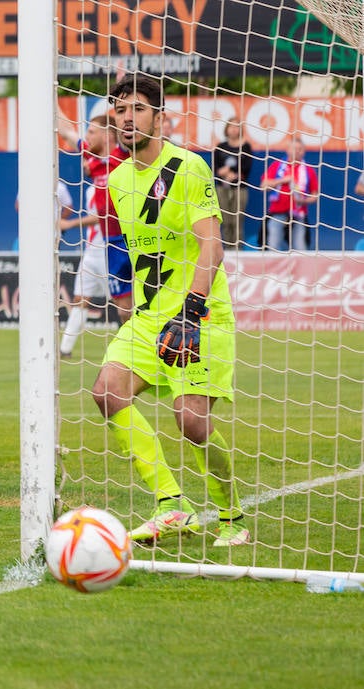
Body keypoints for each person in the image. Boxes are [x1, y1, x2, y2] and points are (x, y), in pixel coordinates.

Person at [97, 74, 246, 547]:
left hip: (198, 314)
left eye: (136, 108)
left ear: (160, 117)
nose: (125, 118)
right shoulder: (117, 179)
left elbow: (212, 247)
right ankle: (170, 504)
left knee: (192, 423)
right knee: (107, 391)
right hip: (148, 317)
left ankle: (231, 517)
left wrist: (191, 311)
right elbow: (132, 252)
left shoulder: (190, 167)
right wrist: (128, 303)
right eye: (118, 110)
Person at [56, 113, 134, 357]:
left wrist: (70, 225)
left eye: (92, 131)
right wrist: (52, 95)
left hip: (126, 242)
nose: (87, 136)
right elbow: (67, 131)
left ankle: (137, 349)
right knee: (93, 302)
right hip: (101, 247)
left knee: (129, 306)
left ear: (108, 134)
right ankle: (65, 349)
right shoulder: (94, 159)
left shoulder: (123, 157)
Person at [261, 137, 318, 251]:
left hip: (299, 215)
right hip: (277, 213)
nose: (297, 151)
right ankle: (273, 269)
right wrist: (282, 180)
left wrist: (303, 201)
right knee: (272, 246)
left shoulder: (308, 170)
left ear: (304, 151)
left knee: (301, 248)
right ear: (287, 150)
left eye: (299, 149)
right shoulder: (277, 165)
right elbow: (263, 186)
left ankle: (301, 269)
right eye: (294, 148)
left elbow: (315, 195)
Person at [212, 118, 255, 249]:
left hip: (239, 189)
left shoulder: (246, 147)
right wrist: (223, 172)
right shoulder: (220, 147)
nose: (234, 129)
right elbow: (215, 168)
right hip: (222, 188)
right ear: (226, 128)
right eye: (231, 126)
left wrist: (232, 172)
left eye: (237, 127)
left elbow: (247, 167)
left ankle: (237, 249)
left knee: (237, 220)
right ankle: (227, 249)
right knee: (225, 220)